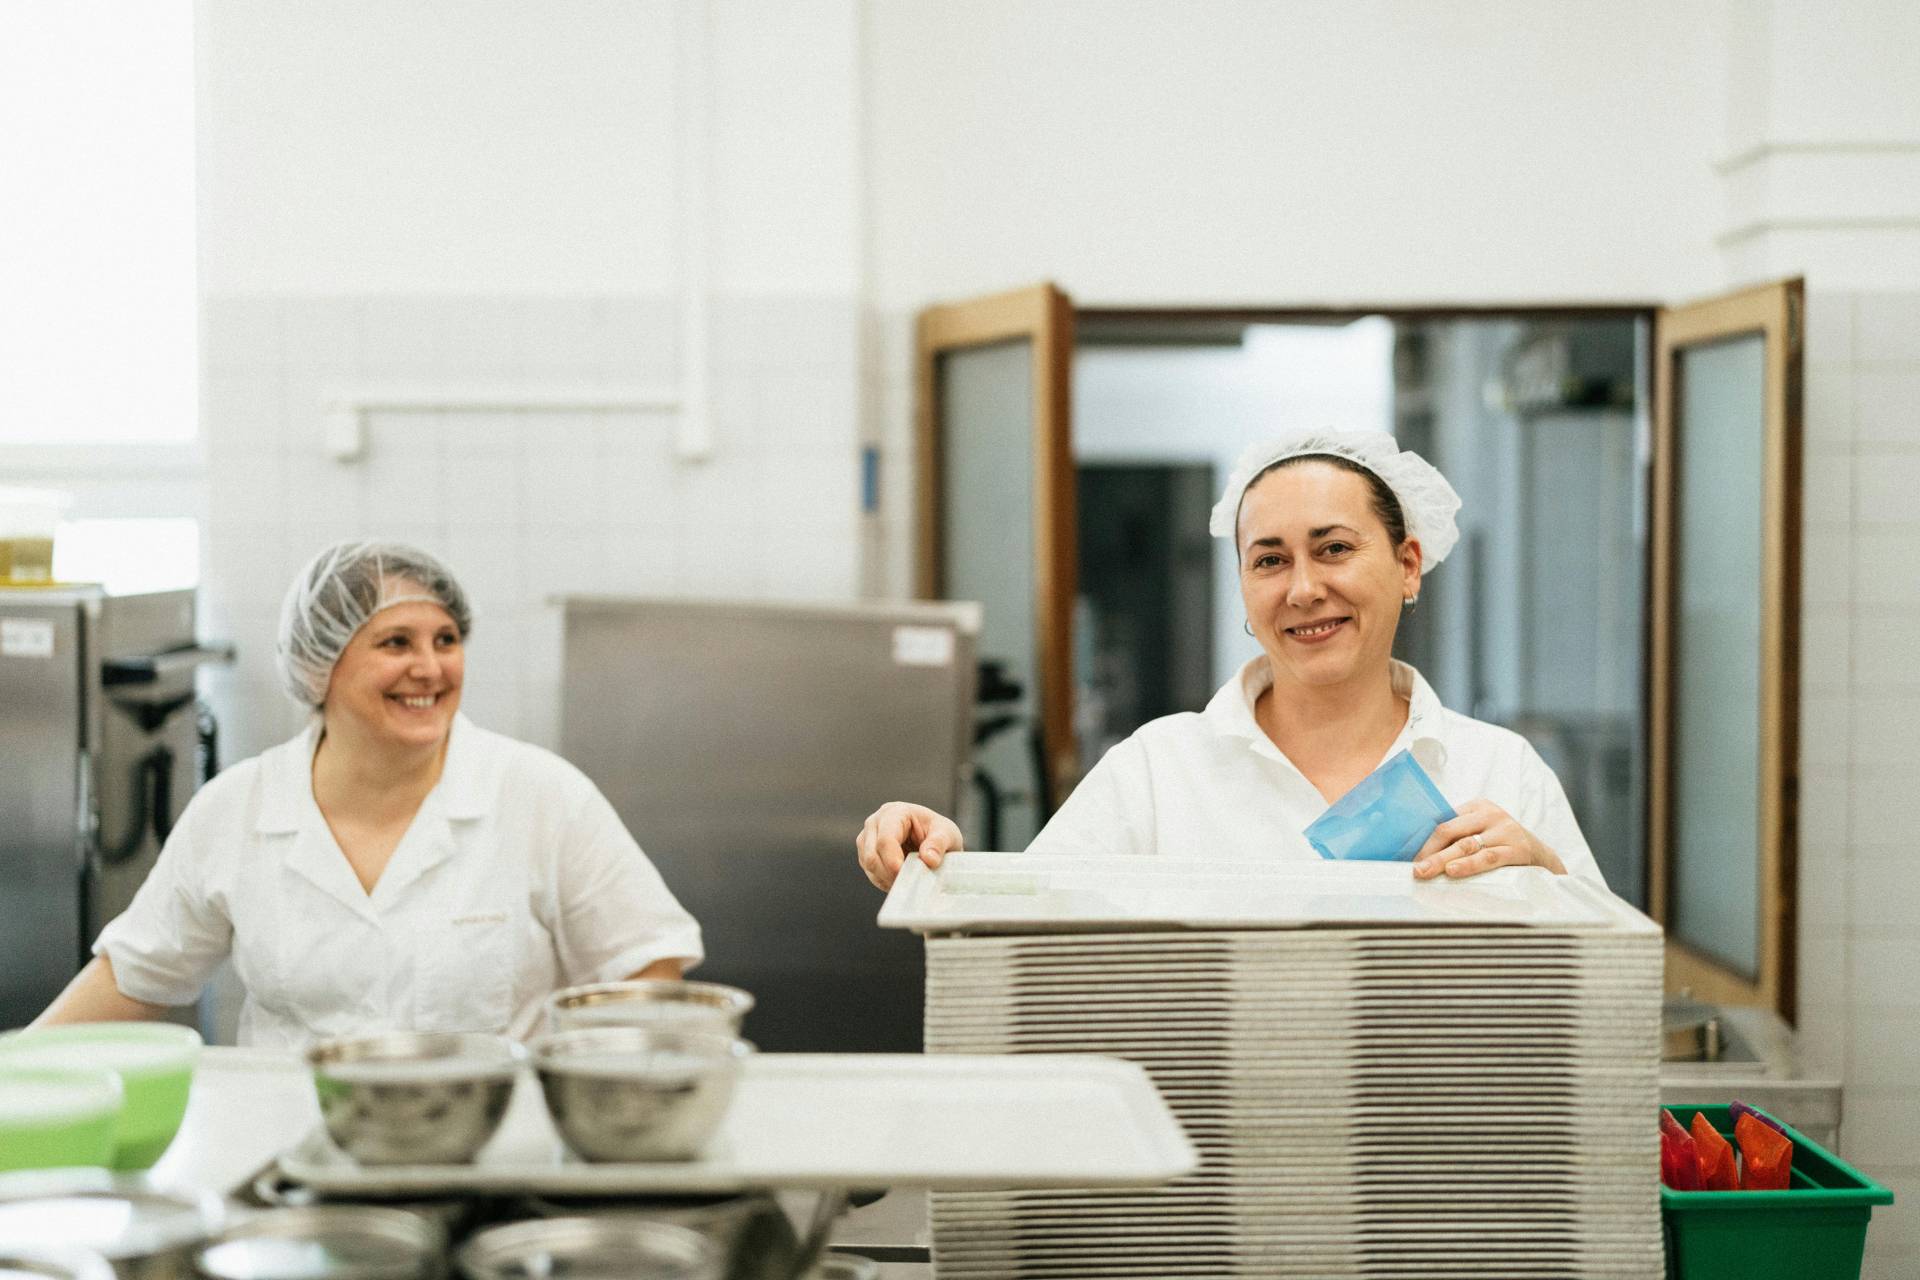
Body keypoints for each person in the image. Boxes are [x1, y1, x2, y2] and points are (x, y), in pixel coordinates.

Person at [856, 430, 1608, 891]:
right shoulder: (1157, 770)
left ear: (1409, 565)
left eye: (1335, 548)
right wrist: (937, 855)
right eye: (1270, 560)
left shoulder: (1500, 773)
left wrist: (1546, 879)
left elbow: (1611, 984)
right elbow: (1026, 920)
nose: (1304, 589)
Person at [34, 541, 702, 1047]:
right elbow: (132, 977)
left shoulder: (541, 796)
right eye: (395, 642)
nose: (431, 667)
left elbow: (647, 963)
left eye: (446, 640)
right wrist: (19, 1069)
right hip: (292, 1155)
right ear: (319, 666)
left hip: (492, 1153)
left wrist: (592, 1102)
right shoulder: (237, 809)